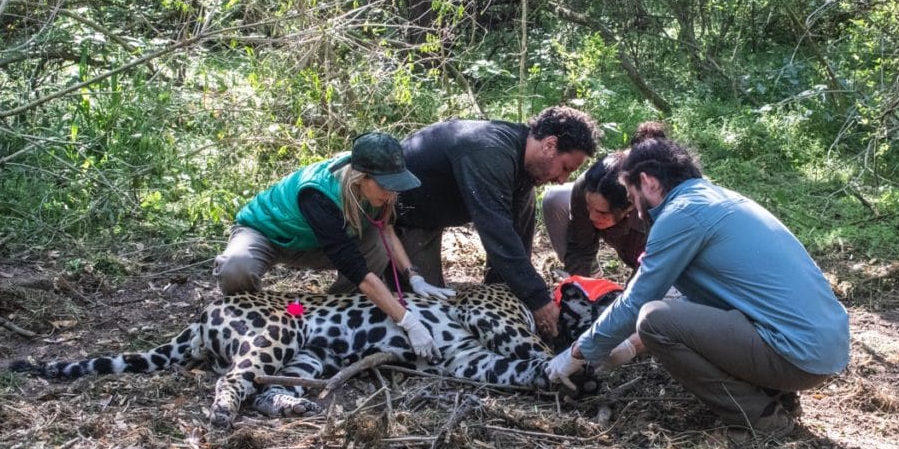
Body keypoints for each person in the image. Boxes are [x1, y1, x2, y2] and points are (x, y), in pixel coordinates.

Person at [547, 135, 850, 438]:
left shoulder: (682, 214)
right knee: (689, 310)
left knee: (655, 321)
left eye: (630, 191)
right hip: (823, 347)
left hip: (798, 354)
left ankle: (759, 417)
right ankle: (776, 395)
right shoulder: (714, 197)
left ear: (647, 182)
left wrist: (577, 353)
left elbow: (637, 300)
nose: (632, 205)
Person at [214, 132, 455, 361]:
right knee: (236, 268)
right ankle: (249, 323)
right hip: (268, 233)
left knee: (377, 249)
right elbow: (356, 269)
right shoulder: (317, 192)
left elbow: (387, 232)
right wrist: (408, 321)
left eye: (395, 186)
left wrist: (414, 278)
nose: (392, 194)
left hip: (316, 242)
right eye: (385, 186)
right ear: (362, 178)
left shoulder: (378, 193)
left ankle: (326, 315)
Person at [395, 106, 599, 339]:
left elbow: (515, 242)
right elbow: (497, 233)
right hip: (409, 217)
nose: (562, 179)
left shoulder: (523, 163)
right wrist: (538, 299)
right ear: (549, 145)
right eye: (565, 168)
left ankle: (500, 294)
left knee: (527, 197)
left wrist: (518, 296)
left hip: (439, 210)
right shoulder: (490, 152)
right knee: (427, 311)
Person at [541, 122, 667, 278]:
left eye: (601, 212)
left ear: (629, 207)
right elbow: (580, 249)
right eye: (589, 208)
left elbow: (649, 274)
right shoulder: (587, 185)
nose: (591, 217)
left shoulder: (658, 209)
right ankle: (593, 275)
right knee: (556, 198)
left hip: (664, 262)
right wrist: (580, 287)